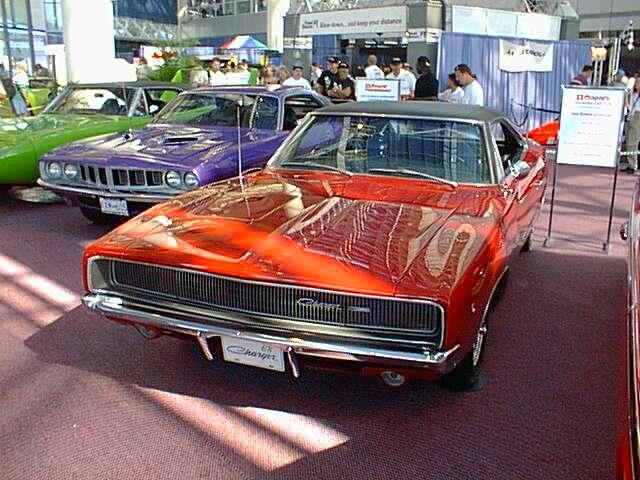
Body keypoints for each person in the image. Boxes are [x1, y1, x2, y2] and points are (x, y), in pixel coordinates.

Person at [624, 80, 640, 173]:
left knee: (633, 141)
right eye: (636, 82)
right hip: (631, 116)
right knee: (629, 140)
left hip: (637, 116)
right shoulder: (633, 93)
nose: (636, 84)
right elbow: (627, 105)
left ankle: (632, 165)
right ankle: (631, 163)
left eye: (638, 82)